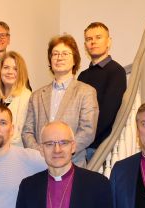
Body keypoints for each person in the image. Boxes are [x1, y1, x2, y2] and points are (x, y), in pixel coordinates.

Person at [22, 34, 98, 167]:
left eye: (65, 53)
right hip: (40, 165)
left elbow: (88, 131)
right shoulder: (36, 96)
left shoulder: (86, 92)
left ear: (74, 60)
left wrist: (62, 151)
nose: (59, 57)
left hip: (73, 165)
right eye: (55, 54)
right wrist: (40, 152)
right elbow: (27, 132)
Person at [78, 21, 127, 162]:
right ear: (85, 45)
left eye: (98, 37)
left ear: (108, 42)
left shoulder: (116, 71)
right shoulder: (82, 76)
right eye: (89, 39)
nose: (93, 42)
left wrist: (85, 139)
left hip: (99, 147)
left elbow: (108, 113)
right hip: (80, 145)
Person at [0, 51, 32, 147]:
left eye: (15, 69)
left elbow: (20, 135)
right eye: (6, 67)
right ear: (0, 71)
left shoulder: (27, 97)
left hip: (16, 152)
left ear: (21, 73)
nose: (10, 72)